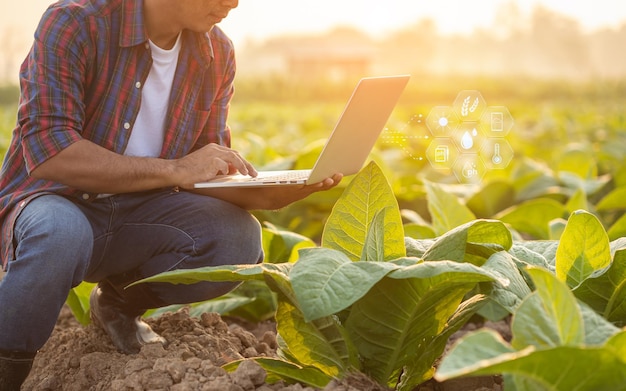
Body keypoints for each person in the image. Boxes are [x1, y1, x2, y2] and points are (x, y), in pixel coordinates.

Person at [0, 0, 342, 388]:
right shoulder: (77, 23)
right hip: (56, 203)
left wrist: (268, 194)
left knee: (237, 237)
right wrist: (174, 169)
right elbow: (51, 153)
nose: (233, 2)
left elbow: (202, 174)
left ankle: (118, 304)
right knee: (59, 232)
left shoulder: (216, 53)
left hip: (138, 218)